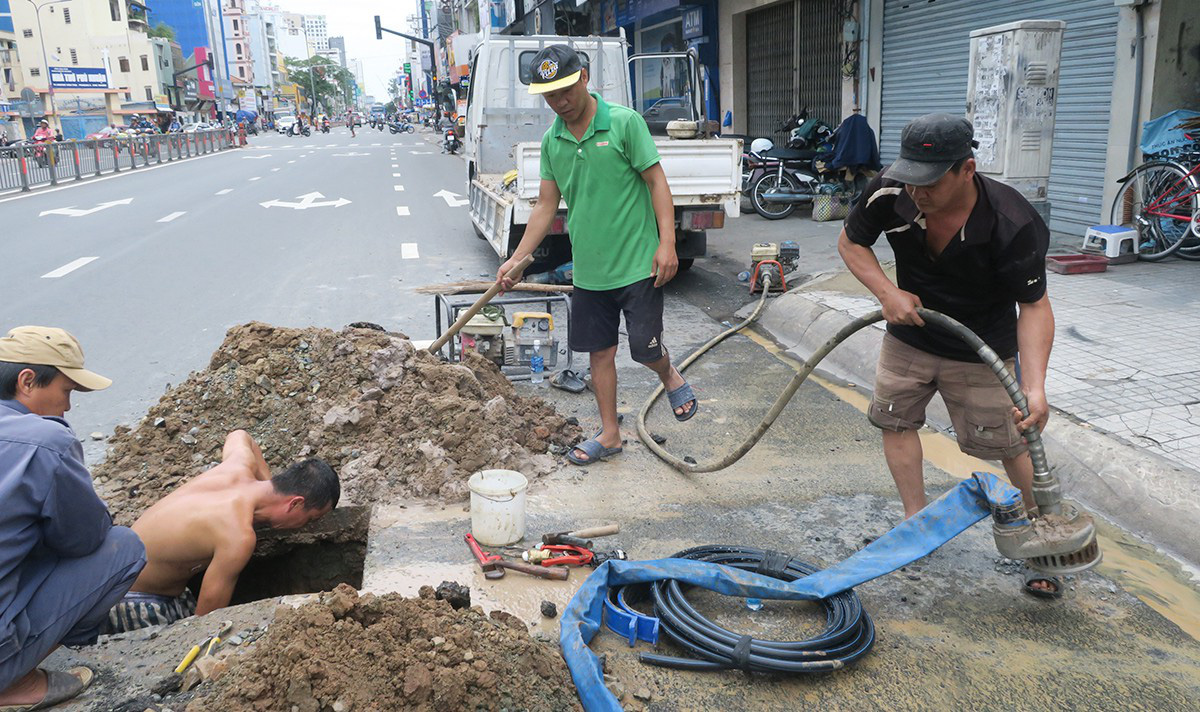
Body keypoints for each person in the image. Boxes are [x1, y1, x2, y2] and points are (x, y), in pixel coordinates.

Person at [836, 113, 1057, 595]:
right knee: (895, 420)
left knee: (1012, 442)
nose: (918, 192)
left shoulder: (1012, 222)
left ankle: (1042, 540)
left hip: (982, 351)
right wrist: (886, 293)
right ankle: (917, 524)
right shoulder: (891, 191)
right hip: (910, 336)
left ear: (967, 169)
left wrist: (1035, 387)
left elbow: (1035, 307)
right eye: (911, 178)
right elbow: (851, 242)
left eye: (931, 181)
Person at [496, 45, 696, 466]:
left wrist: (668, 243)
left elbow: (657, 183)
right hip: (589, 270)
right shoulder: (553, 141)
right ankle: (610, 434)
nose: (559, 102)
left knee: (645, 349)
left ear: (584, 77)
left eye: (565, 90)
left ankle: (668, 373)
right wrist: (517, 259)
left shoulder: (624, 124)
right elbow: (546, 205)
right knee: (598, 353)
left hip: (639, 264)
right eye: (549, 96)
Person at [0, 327, 146, 710]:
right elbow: (84, 539)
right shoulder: (46, 443)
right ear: (27, 381)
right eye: (65, 391)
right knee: (123, 546)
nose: (67, 406)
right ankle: (14, 679)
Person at [101, 432, 338, 634]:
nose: (306, 526)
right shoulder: (237, 536)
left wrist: (269, 484)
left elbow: (240, 435)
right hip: (130, 600)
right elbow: (206, 622)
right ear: (295, 503)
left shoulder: (238, 465)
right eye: (311, 518)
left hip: (116, 570)